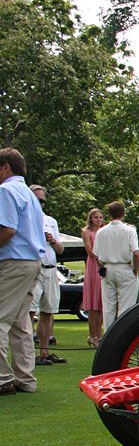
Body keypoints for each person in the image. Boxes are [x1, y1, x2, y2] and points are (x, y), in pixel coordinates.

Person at [0, 148, 46, 395]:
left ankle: (2, 378)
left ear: (5, 167)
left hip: (13, 262)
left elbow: (7, 230)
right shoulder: (29, 194)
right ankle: (25, 378)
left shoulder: (6, 191)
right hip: (32, 262)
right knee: (20, 323)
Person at [28, 185, 65, 365]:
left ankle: (45, 351)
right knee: (30, 311)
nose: (40, 203)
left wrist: (53, 240)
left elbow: (60, 249)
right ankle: (30, 353)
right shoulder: (25, 219)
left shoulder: (51, 221)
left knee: (49, 311)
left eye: (42, 200)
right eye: (37, 200)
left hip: (51, 269)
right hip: (35, 268)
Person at [93, 200, 139, 332]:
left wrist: (101, 269)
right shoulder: (129, 230)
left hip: (108, 268)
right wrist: (135, 270)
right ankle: (123, 335)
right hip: (125, 268)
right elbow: (136, 253)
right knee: (126, 306)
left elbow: (96, 256)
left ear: (109, 214)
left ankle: (109, 336)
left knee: (108, 307)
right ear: (123, 213)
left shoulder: (101, 232)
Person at [81, 207, 105, 346]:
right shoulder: (87, 232)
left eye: (100, 217)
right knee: (93, 305)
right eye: (96, 217)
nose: (98, 220)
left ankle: (99, 334)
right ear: (91, 218)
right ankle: (92, 335)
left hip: (102, 264)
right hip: (93, 266)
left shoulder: (103, 231)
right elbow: (90, 251)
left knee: (101, 303)